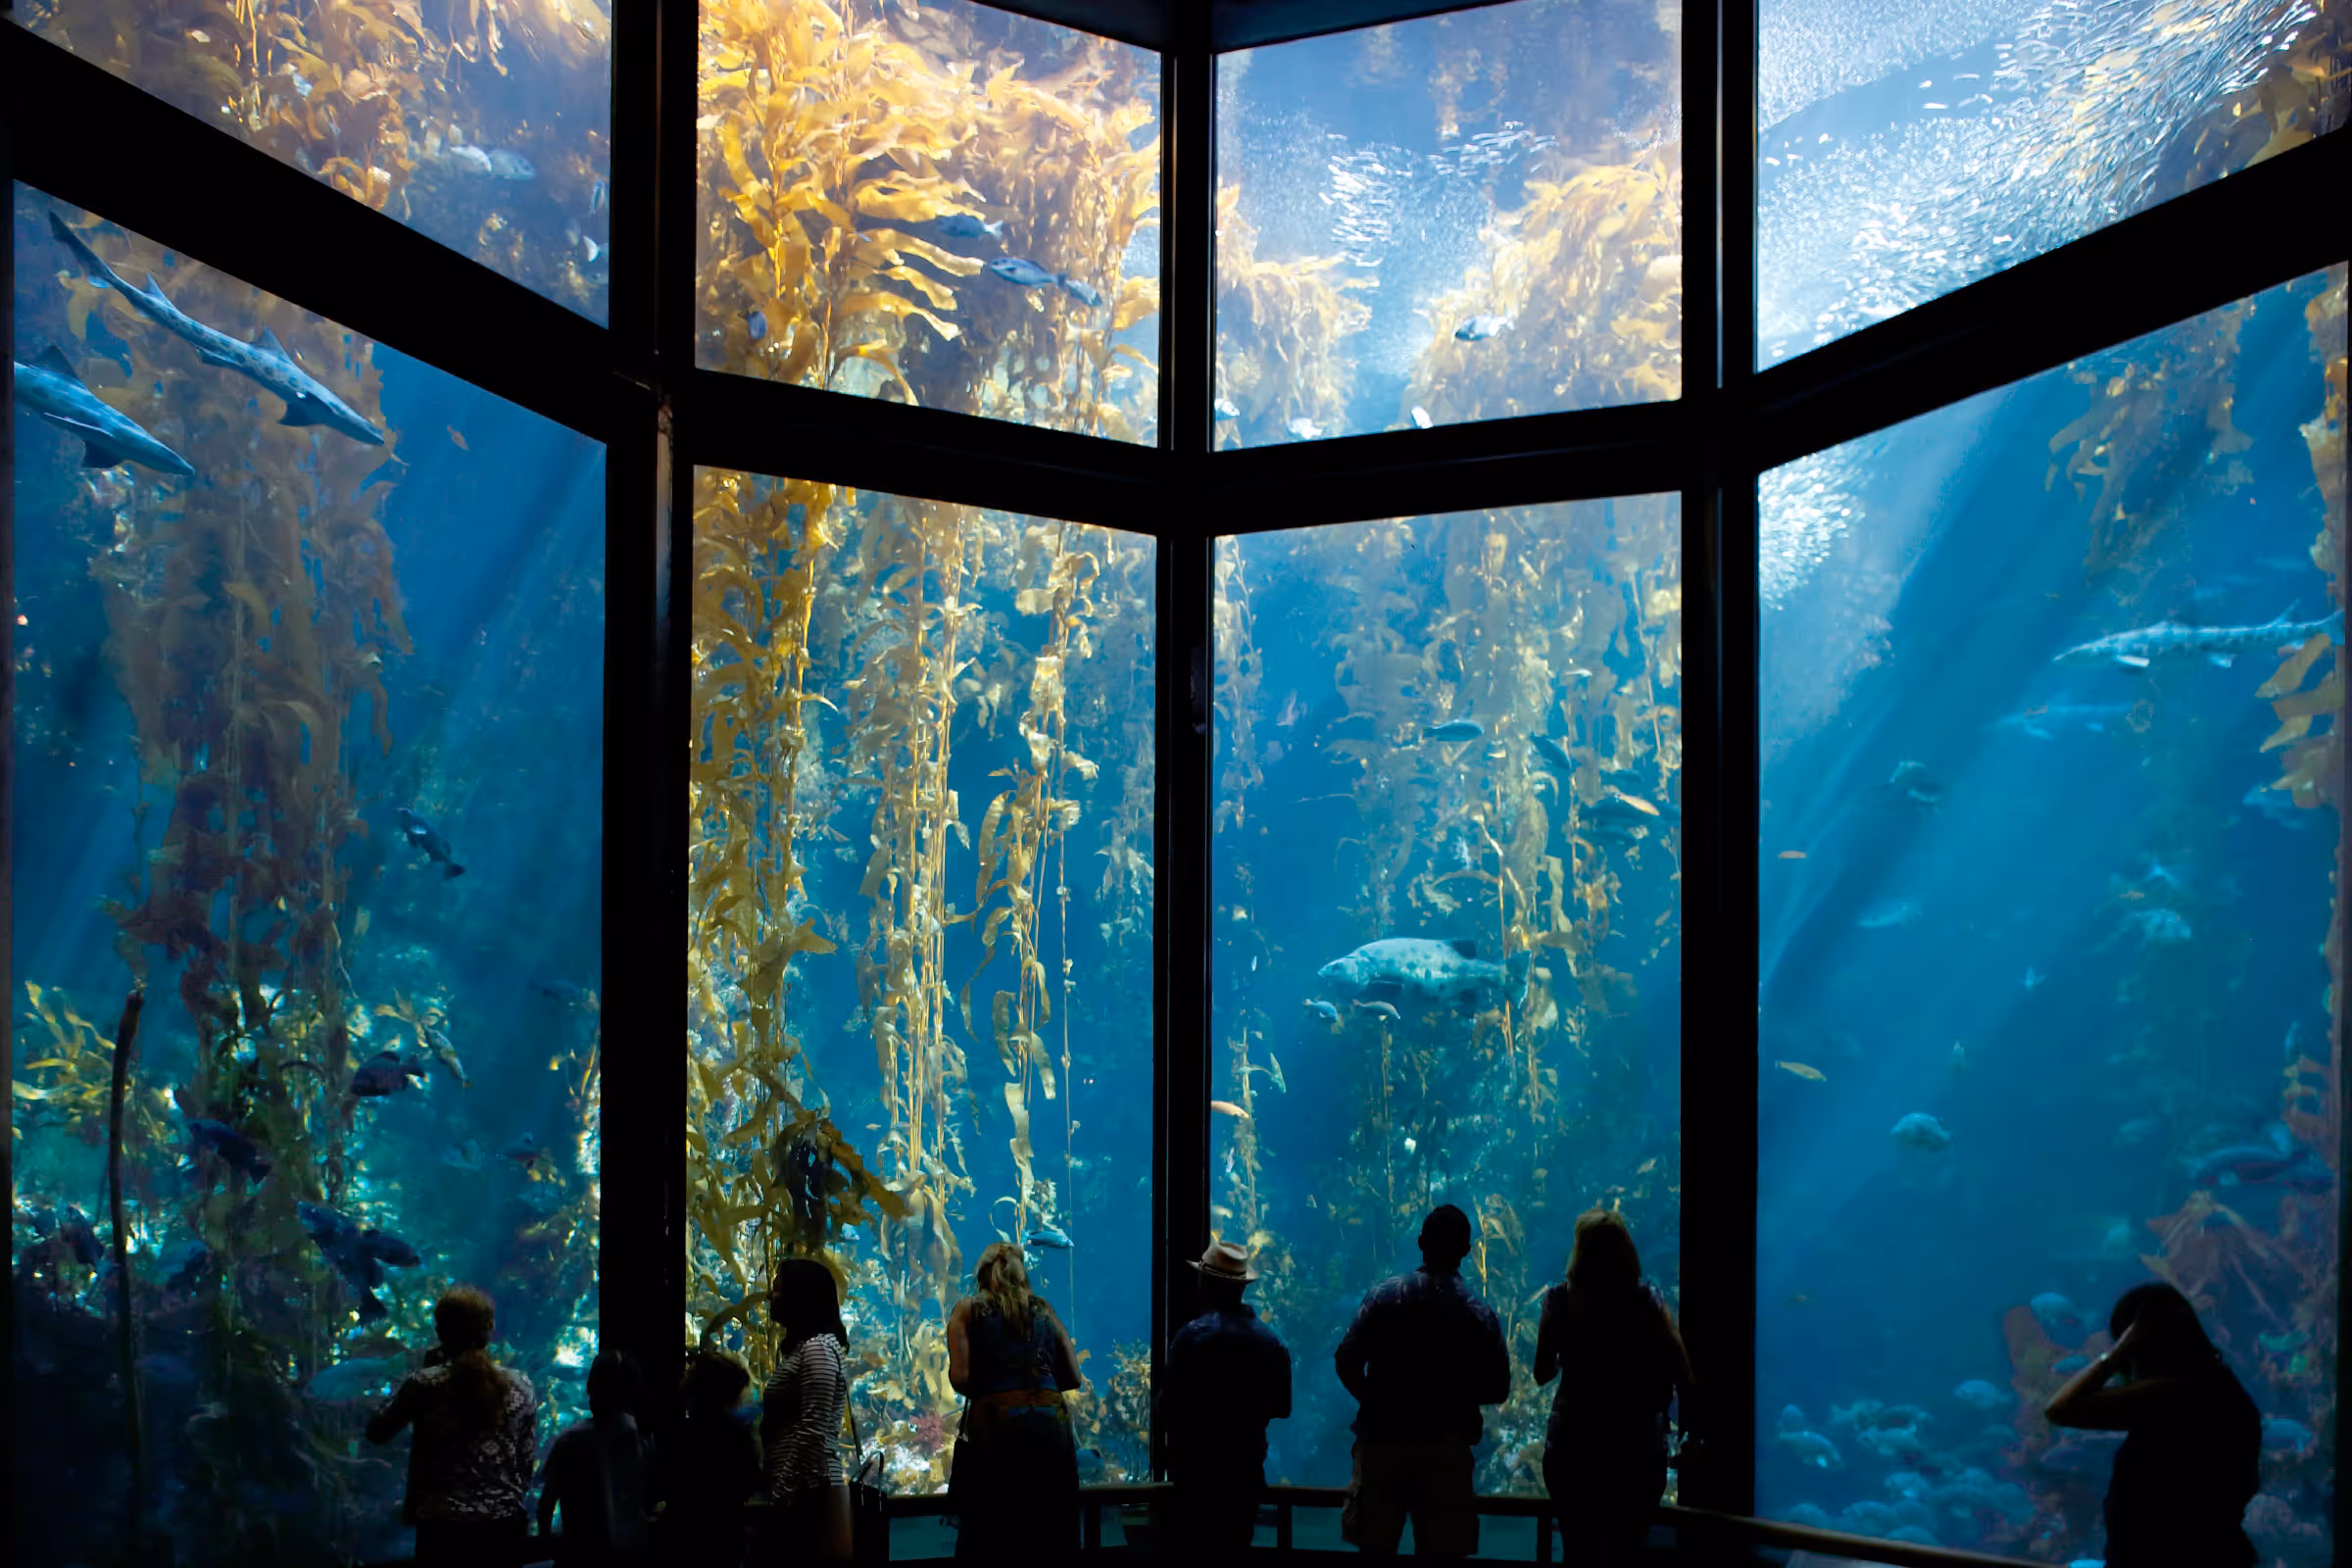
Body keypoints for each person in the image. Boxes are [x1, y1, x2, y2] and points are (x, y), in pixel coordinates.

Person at [1335, 1204, 1512, 1559]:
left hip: (1383, 1445)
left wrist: (1377, 1402)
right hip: (1446, 1452)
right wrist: (1452, 1397)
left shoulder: (1384, 1296)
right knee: (1443, 1555)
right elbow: (1498, 1387)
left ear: (1420, 1242)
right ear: (1466, 1249)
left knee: (1374, 1549)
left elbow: (1346, 1361)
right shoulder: (1477, 1312)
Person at [2044, 1282, 2261, 1568]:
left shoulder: (2177, 1393)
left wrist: (2116, 1354)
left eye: (2125, 1339)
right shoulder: (2219, 1388)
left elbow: (2061, 1409)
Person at [1533, 1208, 1698, 1565]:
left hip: (1571, 1448)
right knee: (1627, 1550)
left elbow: (1542, 1373)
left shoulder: (1558, 1301)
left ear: (1578, 1250)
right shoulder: (1647, 1300)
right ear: (1626, 1248)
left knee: (1578, 1550)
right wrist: (1689, 1435)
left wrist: (1569, 1353)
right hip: (1636, 1450)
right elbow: (1685, 1375)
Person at [367, 1285, 538, 1568]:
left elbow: (377, 1431)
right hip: (504, 1528)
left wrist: (420, 1372)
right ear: (490, 1328)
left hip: (443, 1529)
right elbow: (525, 1465)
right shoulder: (522, 1385)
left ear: (440, 1331)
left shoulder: (425, 1384)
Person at [946, 1239, 1085, 1561]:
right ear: (1023, 1274)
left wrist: (995, 1382)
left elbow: (961, 1377)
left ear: (981, 1275)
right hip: (1052, 1428)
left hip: (997, 1429)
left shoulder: (968, 1309)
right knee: (1049, 1528)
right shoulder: (1043, 1309)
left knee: (994, 1530)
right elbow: (1074, 1377)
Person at [1161, 1240, 1294, 1551]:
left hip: (1196, 1474)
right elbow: (1283, 1408)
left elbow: (1169, 1404)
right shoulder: (1272, 1342)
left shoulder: (1192, 1337)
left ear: (1206, 1281)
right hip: (1244, 1473)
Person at [760, 1258, 854, 1560]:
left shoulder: (818, 1349)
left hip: (810, 1491)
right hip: (803, 1490)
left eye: (776, 1289)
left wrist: (781, 1494)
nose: (769, 1296)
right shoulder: (809, 1348)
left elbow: (813, 1430)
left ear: (800, 1296)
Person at [534, 1349, 653, 1566]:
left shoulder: (569, 1440)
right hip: (632, 1551)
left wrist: (545, 1539)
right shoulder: (639, 1433)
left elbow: (548, 1500)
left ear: (589, 1387)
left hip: (582, 1553)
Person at [654, 1349, 762, 1568]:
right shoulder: (740, 1437)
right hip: (724, 1542)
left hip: (678, 1541)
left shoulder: (676, 1435)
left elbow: (660, 1484)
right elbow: (750, 1484)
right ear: (734, 1392)